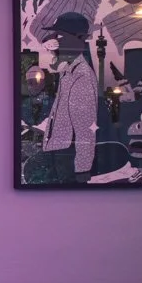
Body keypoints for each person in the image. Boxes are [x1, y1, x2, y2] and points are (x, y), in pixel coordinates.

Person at [38, 12, 98, 183]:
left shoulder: (81, 76)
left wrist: (82, 171)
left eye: (60, 37)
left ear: (79, 39)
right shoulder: (68, 72)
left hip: (68, 156)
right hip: (61, 152)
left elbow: (85, 129)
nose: (53, 44)